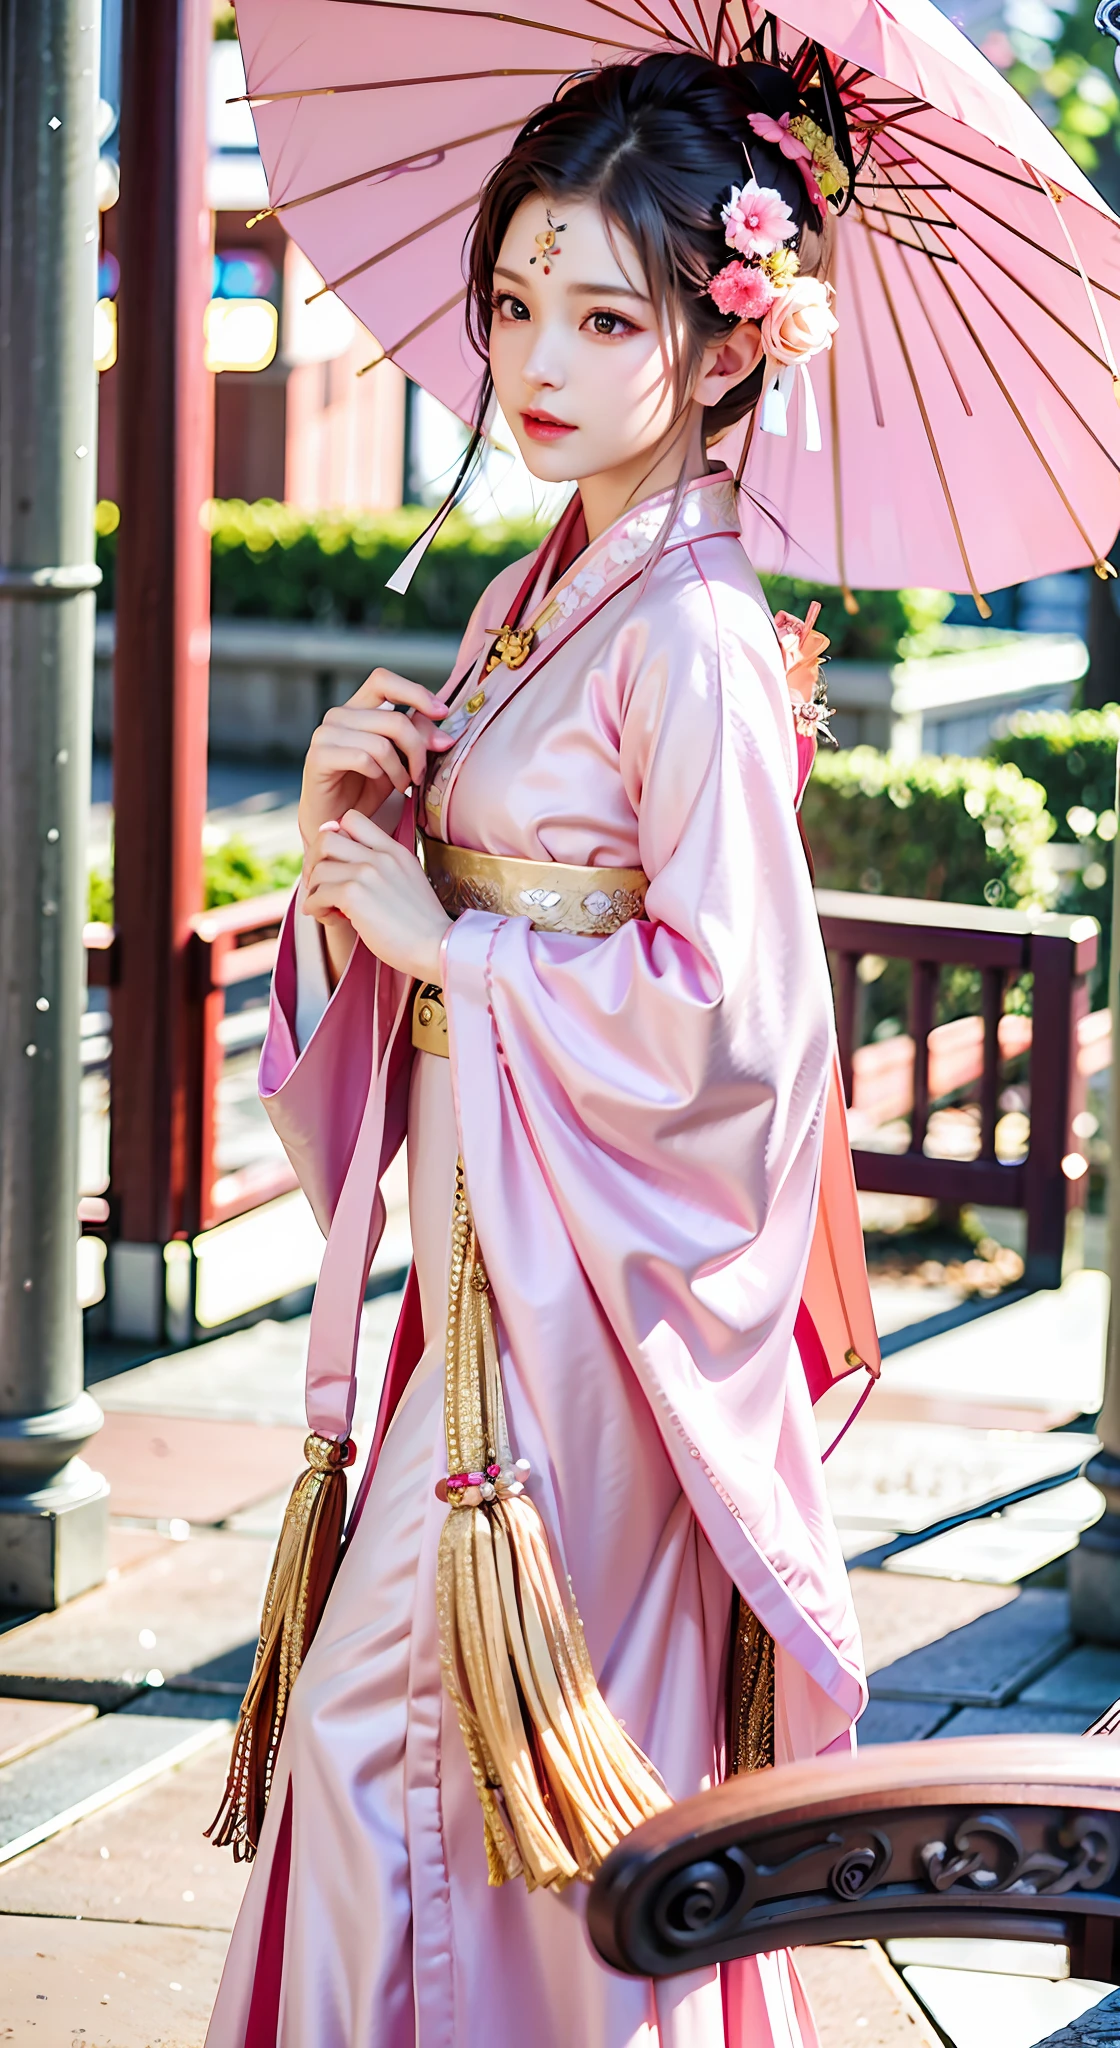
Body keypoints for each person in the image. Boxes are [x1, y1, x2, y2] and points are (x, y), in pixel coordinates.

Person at [206, 47, 876, 2048]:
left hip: (589, 1312)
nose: (536, 355)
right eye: (512, 302)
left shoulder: (684, 631)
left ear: (724, 334)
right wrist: (359, 833)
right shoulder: (535, 590)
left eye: (605, 314)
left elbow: (740, 1033)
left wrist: (463, 958)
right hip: (497, 1259)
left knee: (391, 1747)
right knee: (430, 1767)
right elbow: (446, 914)